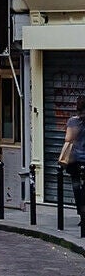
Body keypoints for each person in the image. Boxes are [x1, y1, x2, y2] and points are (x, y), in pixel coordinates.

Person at [60, 95, 85, 230]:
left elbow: (68, 138)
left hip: (75, 161)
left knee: (77, 189)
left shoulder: (72, 122)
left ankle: (82, 216)